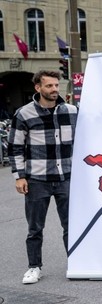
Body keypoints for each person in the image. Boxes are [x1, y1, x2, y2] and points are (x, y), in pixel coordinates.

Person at [9, 70, 77, 284]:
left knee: (72, 225)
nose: (54, 90)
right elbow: (15, 147)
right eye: (49, 86)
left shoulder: (73, 111)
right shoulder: (24, 114)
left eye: (56, 85)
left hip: (67, 177)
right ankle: (34, 267)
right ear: (38, 88)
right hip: (37, 179)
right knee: (35, 227)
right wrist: (19, 177)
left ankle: (75, 263)